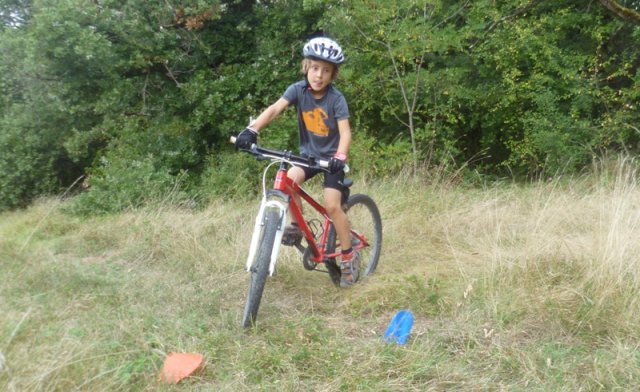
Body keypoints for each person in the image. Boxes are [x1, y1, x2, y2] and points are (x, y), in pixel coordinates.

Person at [235, 37, 359, 288]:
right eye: (315, 68)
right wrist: (252, 130)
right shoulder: (297, 90)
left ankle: (348, 255)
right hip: (308, 157)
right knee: (288, 180)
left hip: (331, 161)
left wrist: (340, 157)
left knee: (332, 206)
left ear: (333, 74)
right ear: (306, 67)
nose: (319, 75)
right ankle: (296, 225)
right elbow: (274, 109)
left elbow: (345, 133)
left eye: (326, 71)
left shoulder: (336, 99)